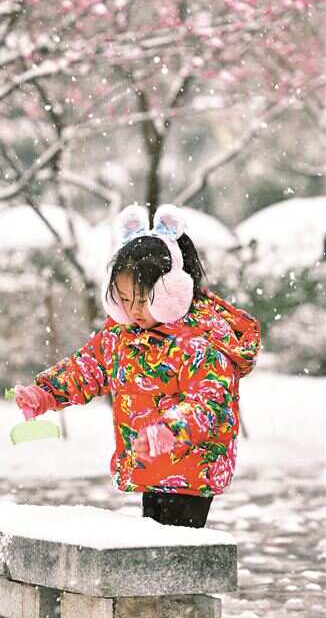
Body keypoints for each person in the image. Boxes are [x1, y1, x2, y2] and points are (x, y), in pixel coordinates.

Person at [14, 203, 261, 529]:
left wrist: (169, 431)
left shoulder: (200, 342)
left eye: (143, 300)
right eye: (125, 299)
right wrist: (45, 393)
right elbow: (88, 367)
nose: (134, 311)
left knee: (177, 549)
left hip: (191, 469)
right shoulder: (123, 333)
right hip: (150, 465)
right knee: (152, 544)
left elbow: (209, 401)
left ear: (172, 289)